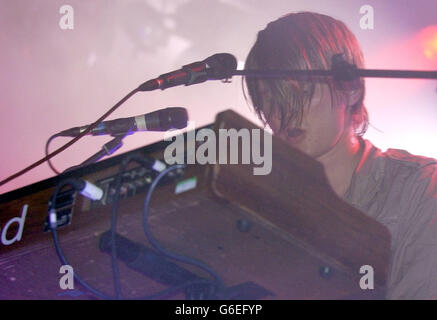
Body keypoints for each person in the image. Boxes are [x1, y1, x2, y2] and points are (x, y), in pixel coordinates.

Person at [244, 11, 437, 299]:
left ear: (351, 89)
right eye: (271, 97)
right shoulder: (255, 199)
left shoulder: (420, 189)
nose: (284, 113)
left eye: (303, 91)